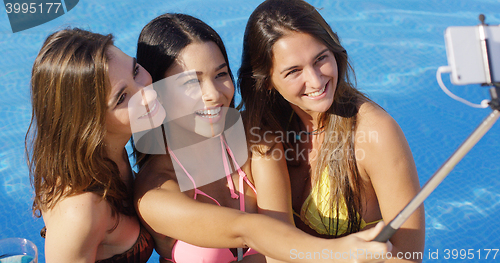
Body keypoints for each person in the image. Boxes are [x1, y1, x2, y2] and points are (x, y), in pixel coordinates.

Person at [133, 13, 390, 263]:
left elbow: (282, 241)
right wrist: (337, 252)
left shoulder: (254, 136)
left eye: (221, 75)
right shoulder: (154, 191)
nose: (213, 94)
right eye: (191, 83)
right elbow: (247, 230)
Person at [238, 0, 425, 262]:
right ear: (267, 81)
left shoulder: (374, 134)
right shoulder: (263, 129)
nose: (316, 80)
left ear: (334, 51)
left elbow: (409, 255)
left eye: (320, 59)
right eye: (294, 71)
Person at [26, 28, 162, 262]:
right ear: (87, 121)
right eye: (121, 97)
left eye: (136, 70)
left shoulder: (111, 150)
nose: (147, 94)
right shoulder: (80, 211)